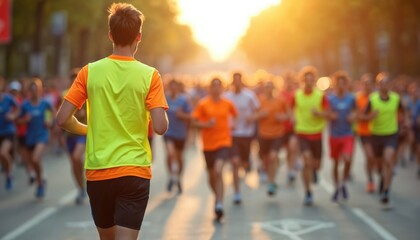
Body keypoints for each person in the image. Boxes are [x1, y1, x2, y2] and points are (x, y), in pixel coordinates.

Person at [56, 3, 168, 240]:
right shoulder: (150, 75)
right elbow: (159, 127)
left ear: (110, 35)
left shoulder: (88, 72)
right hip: (134, 171)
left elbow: (62, 119)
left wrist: (88, 129)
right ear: (139, 36)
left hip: (99, 172)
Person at [192, 77, 237, 222]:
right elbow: (194, 122)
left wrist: (234, 125)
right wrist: (206, 125)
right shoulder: (203, 104)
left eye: (219, 85)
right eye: (213, 86)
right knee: (211, 177)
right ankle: (218, 195)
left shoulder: (228, 103)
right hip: (208, 145)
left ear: (222, 88)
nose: (216, 88)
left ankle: (219, 203)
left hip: (224, 142)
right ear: (209, 88)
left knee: (218, 170)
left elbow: (235, 115)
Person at [364, 72, 408, 206]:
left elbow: (403, 112)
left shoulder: (396, 98)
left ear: (390, 85)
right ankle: (381, 176)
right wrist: (371, 117)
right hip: (376, 135)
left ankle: (386, 190)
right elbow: (363, 117)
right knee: (378, 166)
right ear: (378, 85)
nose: (384, 85)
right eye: (381, 83)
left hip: (391, 134)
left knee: (388, 160)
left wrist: (405, 123)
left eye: (387, 83)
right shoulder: (372, 99)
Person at [292, 66, 330, 206]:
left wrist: (319, 114)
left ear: (314, 81)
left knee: (317, 164)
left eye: (311, 80)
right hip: (302, 132)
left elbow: (328, 113)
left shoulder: (320, 96)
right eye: (306, 80)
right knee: (306, 161)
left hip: (317, 133)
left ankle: (315, 171)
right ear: (302, 81)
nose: (308, 83)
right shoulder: (297, 95)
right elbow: (291, 109)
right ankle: (308, 192)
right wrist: (292, 118)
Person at [224, 72, 259, 204]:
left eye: (239, 80)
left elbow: (258, 111)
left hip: (246, 134)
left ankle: (247, 164)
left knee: (243, 162)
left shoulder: (249, 96)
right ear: (232, 82)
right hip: (232, 134)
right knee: (234, 162)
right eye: (235, 80)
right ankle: (237, 192)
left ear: (242, 81)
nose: (237, 83)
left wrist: (253, 118)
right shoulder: (227, 96)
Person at [251, 81, 289, 196]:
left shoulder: (281, 101)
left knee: (273, 156)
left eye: (271, 87)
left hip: (277, 134)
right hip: (263, 135)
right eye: (267, 88)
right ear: (264, 89)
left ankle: (271, 182)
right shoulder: (259, 102)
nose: (269, 90)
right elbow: (252, 117)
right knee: (266, 159)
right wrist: (261, 115)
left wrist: (282, 117)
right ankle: (266, 170)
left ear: (274, 89)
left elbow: (289, 115)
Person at [19, 78, 54, 198]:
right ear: (29, 91)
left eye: (36, 89)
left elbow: (53, 113)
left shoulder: (45, 103)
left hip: (42, 135)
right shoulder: (25, 105)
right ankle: (41, 179)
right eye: (32, 90)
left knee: (35, 159)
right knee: (32, 163)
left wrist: (49, 120)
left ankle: (40, 184)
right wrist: (24, 120)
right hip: (30, 137)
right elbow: (17, 120)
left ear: (40, 90)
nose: (34, 92)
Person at [327, 71, 357, 202]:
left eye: (343, 84)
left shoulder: (351, 98)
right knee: (335, 163)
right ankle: (337, 187)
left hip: (347, 134)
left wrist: (353, 116)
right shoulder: (330, 99)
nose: (340, 87)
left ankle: (344, 181)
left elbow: (356, 111)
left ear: (346, 85)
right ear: (335, 85)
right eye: (338, 84)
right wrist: (330, 116)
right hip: (334, 135)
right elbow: (326, 113)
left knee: (347, 158)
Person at [63, 68, 88, 204]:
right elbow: (59, 115)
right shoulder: (66, 96)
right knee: (73, 162)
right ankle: (80, 188)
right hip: (69, 135)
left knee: (76, 157)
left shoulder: (87, 94)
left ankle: (84, 182)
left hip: (82, 132)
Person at [164, 79, 191, 194]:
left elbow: (190, 116)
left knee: (179, 157)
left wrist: (182, 115)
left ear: (178, 88)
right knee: (170, 154)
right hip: (168, 132)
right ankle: (171, 176)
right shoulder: (164, 98)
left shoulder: (183, 100)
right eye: (172, 87)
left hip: (181, 133)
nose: (174, 89)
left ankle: (179, 178)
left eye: (176, 87)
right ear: (169, 87)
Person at [355, 74, 376, 193]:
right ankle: (370, 180)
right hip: (364, 132)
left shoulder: (377, 97)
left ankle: (379, 175)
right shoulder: (358, 98)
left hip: (378, 132)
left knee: (378, 160)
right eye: (365, 84)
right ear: (362, 85)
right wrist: (370, 116)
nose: (367, 87)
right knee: (370, 156)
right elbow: (359, 116)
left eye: (370, 84)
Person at [0, 77, 19, 191]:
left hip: (8, 131)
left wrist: (12, 116)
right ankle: (8, 169)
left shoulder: (9, 99)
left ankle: (9, 174)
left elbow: (18, 109)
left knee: (3, 153)